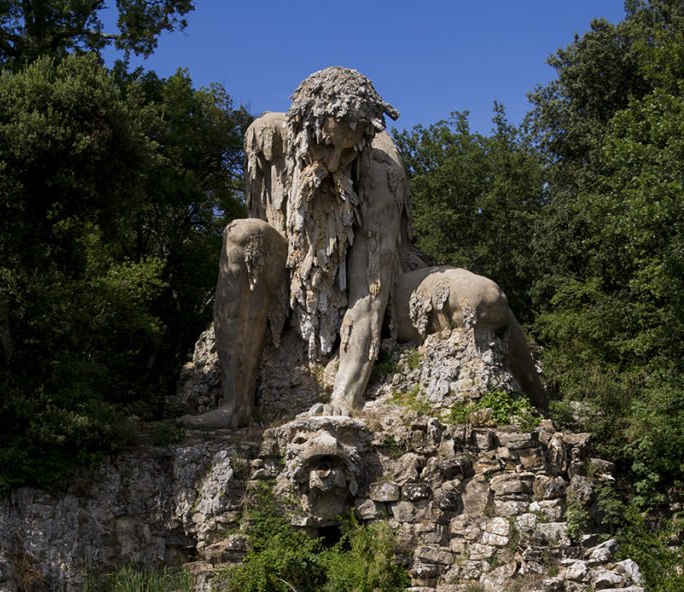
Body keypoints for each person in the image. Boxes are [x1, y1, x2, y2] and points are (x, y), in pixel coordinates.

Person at [183, 67, 546, 428]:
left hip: (390, 292)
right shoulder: (267, 139)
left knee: (483, 298)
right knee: (242, 235)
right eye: (326, 145)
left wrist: (344, 399)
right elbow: (263, 244)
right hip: (295, 285)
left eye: (348, 152)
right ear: (303, 128)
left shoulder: (381, 172)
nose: (333, 163)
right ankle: (235, 407)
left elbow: (369, 294)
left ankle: (542, 405)